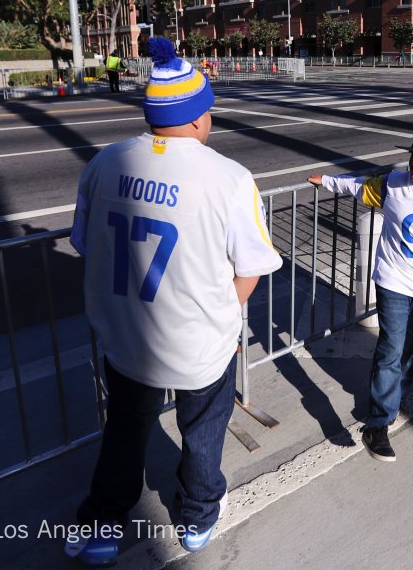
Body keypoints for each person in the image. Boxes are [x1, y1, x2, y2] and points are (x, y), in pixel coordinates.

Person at [65, 37, 282, 564]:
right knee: (202, 430)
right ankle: (198, 517)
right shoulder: (229, 178)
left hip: (126, 339)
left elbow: (85, 244)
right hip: (199, 342)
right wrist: (226, 316)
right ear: (198, 116)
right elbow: (251, 266)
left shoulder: (105, 163)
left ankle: (101, 527)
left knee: (124, 430)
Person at [307, 126, 413, 462]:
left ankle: (393, 400)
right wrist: (326, 180)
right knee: (390, 350)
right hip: (393, 282)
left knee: (408, 353)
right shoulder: (393, 185)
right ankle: (377, 424)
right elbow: (358, 187)